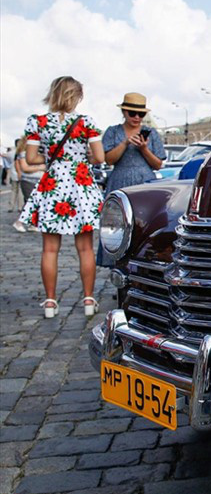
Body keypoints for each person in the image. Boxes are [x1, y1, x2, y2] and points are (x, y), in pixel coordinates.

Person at [18, 76, 105, 318]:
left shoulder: (39, 123)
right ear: (77, 96)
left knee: (49, 249)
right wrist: (79, 156)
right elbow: (99, 158)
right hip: (80, 184)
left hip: (53, 185)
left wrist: (53, 159)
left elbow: (31, 159)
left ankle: (50, 303)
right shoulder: (86, 122)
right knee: (85, 248)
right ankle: (89, 300)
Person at [100, 93, 166, 264]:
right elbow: (109, 159)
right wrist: (125, 143)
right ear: (124, 112)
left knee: (145, 226)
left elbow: (158, 164)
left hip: (145, 182)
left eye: (141, 114)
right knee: (119, 226)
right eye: (132, 113)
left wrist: (144, 149)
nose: (137, 117)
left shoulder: (151, 133)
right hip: (120, 180)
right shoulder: (113, 132)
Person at [12, 138, 43, 231]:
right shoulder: (23, 153)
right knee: (32, 203)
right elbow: (25, 168)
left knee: (34, 203)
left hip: (38, 180)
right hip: (29, 181)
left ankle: (32, 224)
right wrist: (41, 167)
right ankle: (19, 222)